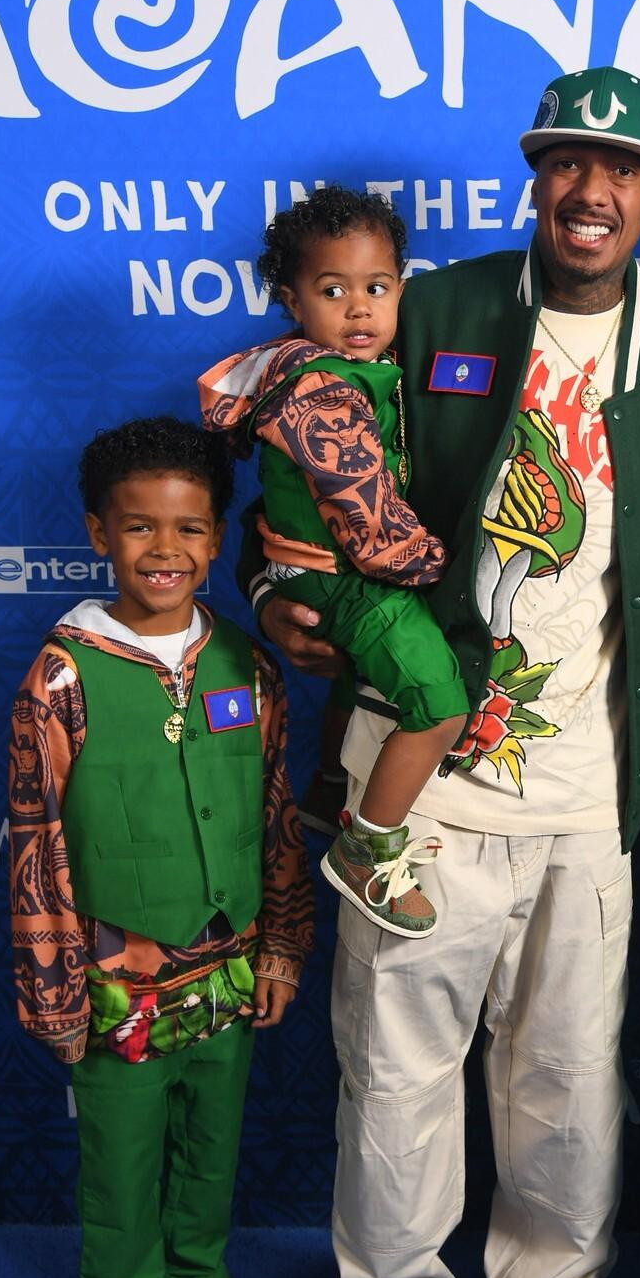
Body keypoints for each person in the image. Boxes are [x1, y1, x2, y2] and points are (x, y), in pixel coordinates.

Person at [249, 66, 640, 1278]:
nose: (591, 189)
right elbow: (309, 439)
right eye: (567, 162)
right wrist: (273, 590)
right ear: (534, 177)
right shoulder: (434, 309)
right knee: (394, 1063)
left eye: (621, 170)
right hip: (420, 781)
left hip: (587, 781)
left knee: (568, 1068)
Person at [8, 417, 313, 1278]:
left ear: (217, 536)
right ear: (100, 533)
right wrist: (55, 990)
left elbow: (274, 814)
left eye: (188, 528)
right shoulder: (63, 677)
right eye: (139, 527)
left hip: (227, 974)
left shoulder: (245, 663)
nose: (165, 550)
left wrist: (281, 944)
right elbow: (37, 842)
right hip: (115, 992)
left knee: (209, 1149)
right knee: (121, 1173)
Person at [200, 186, 469, 938]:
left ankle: (327, 786)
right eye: (332, 291)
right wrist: (437, 568)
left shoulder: (341, 373)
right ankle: (367, 846)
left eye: (376, 288)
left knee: (363, 679)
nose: (358, 309)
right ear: (292, 300)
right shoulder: (322, 391)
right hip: (342, 573)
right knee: (439, 705)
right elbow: (368, 520)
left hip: (319, 569)